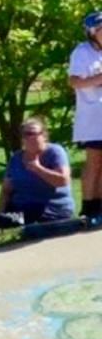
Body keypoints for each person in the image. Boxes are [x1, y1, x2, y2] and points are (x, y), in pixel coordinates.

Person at [0, 117, 75, 226]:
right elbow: (6, 190)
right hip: (21, 208)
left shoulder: (54, 152)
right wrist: (1, 213)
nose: (29, 137)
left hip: (51, 208)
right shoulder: (16, 158)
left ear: (44, 136)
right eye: (25, 134)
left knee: (25, 215)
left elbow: (63, 181)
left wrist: (38, 169)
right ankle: (5, 220)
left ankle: (11, 221)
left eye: (32, 133)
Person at [68, 12, 102, 224]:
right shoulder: (82, 52)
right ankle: (89, 205)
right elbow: (74, 82)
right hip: (92, 117)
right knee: (94, 160)